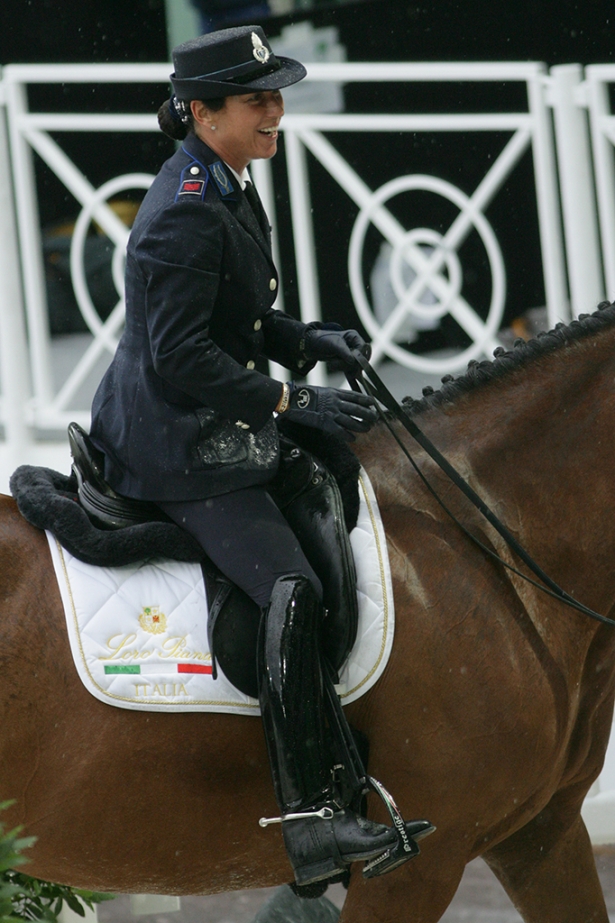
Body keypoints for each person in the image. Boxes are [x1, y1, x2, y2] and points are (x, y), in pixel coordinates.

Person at [89, 25, 429, 887]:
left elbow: (231, 319)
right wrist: (289, 396)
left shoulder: (228, 181)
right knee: (291, 585)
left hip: (210, 417)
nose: (275, 110)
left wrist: (304, 340)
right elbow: (180, 356)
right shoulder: (183, 213)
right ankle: (313, 821)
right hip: (172, 442)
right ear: (203, 114)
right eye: (255, 100)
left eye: (275, 93)